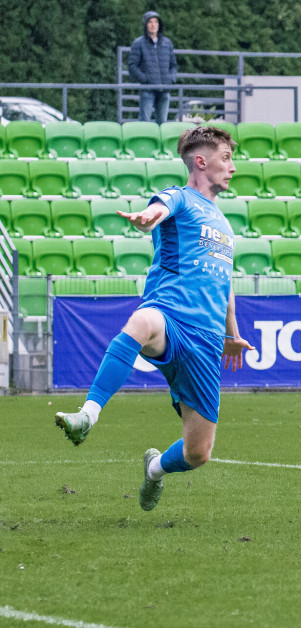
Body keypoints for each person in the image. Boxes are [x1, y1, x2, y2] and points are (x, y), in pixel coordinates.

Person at [54, 126, 255, 512]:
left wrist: (232, 334)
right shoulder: (179, 197)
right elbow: (159, 209)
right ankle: (87, 416)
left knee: (199, 452)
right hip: (171, 316)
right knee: (142, 322)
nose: (232, 167)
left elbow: (225, 283)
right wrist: (147, 218)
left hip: (207, 339)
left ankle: (155, 469)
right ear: (201, 161)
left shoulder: (224, 225)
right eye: (226, 158)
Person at [128, 10, 178, 124]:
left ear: (159, 24)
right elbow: (132, 66)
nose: (153, 25)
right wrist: (145, 80)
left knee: (162, 123)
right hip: (147, 90)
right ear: (145, 25)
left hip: (164, 90)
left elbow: (173, 65)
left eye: (156, 22)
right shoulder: (138, 43)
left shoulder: (167, 43)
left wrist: (171, 79)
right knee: (144, 122)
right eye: (150, 22)